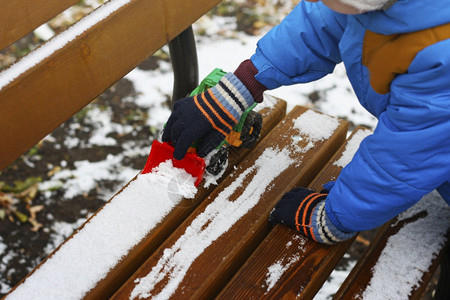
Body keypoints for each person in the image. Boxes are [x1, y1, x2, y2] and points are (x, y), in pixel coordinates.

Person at [162, 0, 450, 244]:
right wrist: (243, 85)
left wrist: (335, 217)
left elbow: (406, 156)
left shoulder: (441, 53)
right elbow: (321, 22)